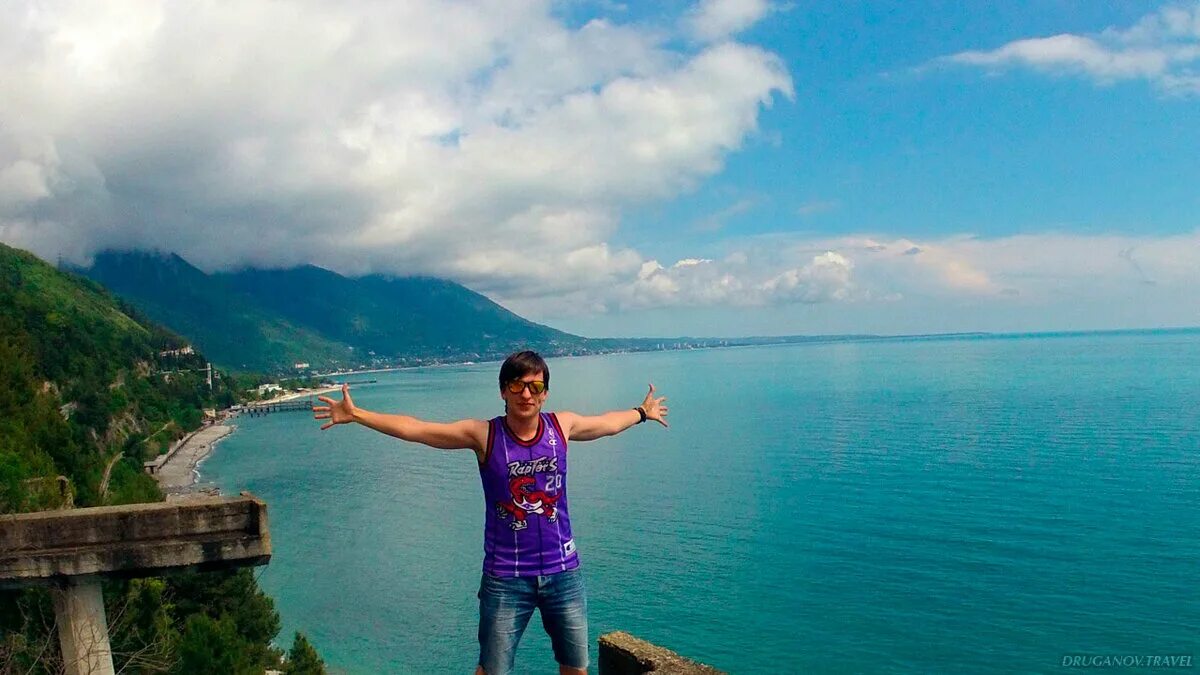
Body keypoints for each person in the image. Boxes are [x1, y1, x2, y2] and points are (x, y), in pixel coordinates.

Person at [313, 350, 668, 675]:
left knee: (575, 668)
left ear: (545, 393)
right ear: (503, 391)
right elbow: (418, 429)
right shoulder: (484, 435)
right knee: (492, 670)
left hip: (563, 572)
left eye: (535, 386)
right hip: (506, 578)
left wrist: (641, 413)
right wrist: (357, 414)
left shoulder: (562, 427)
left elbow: (607, 423)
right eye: (516, 385)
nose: (526, 394)